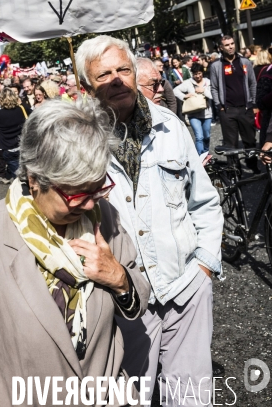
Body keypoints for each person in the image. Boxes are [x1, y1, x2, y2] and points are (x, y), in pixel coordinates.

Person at [0, 99, 150, 406]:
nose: (91, 204)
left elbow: (137, 297)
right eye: (77, 193)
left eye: (98, 188)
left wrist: (119, 278)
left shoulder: (104, 217)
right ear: (35, 179)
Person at [75, 35, 223, 405]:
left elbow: (203, 201)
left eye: (123, 69)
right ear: (85, 87)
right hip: (122, 302)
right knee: (131, 396)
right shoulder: (77, 142)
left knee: (191, 397)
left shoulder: (170, 126)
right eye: (103, 74)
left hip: (185, 287)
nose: (116, 79)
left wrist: (204, 266)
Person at [210, 35, 258, 172]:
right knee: (230, 144)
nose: (230, 47)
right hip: (227, 110)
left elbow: (252, 83)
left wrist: (253, 103)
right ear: (220, 47)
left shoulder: (245, 62)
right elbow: (214, 87)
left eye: (232, 44)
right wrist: (219, 106)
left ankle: (253, 165)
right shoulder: (216, 66)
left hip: (245, 108)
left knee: (250, 140)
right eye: (226, 45)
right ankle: (235, 169)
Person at [0, 88, 28, 184]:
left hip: (8, 149)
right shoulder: (20, 110)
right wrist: (21, 104)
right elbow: (32, 113)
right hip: (21, 146)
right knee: (25, 174)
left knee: (18, 177)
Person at [173, 63, 213, 155]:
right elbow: (175, 90)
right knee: (199, 137)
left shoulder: (208, 82)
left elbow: (212, 96)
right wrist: (184, 96)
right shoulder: (188, 83)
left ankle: (206, 153)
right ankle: (200, 157)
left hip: (207, 113)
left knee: (206, 136)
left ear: (202, 72)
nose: (198, 76)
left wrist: (204, 91)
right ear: (192, 74)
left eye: (199, 73)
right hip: (193, 114)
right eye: (195, 74)